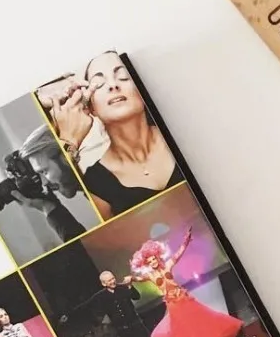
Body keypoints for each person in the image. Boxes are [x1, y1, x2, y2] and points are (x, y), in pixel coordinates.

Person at [46, 52, 182, 218]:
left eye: (123, 77)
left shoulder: (178, 132)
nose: (113, 85)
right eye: (98, 83)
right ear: (90, 107)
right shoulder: (96, 182)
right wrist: (69, 137)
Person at [129, 230, 242, 337]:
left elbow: (178, 254)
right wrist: (130, 279)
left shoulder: (168, 265)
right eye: (149, 261)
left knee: (198, 320)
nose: (153, 262)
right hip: (173, 304)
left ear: (157, 257)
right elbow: (137, 278)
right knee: (182, 328)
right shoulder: (150, 275)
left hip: (183, 298)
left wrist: (186, 241)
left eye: (154, 259)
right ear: (146, 263)